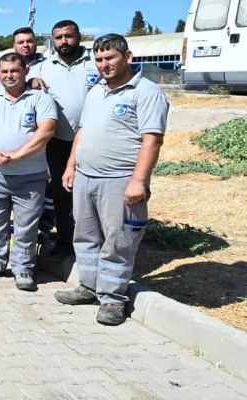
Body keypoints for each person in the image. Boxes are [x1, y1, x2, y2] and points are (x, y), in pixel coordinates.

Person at [55, 33, 169, 326]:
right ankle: (89, 287)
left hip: (120, 180)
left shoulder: (146, 92)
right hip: (85, 177)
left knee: (118, 242)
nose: (104, 64)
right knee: (86, 237)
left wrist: (138, 181)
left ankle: (112, 299)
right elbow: (82, 131)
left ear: (127, 57)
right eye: (99, 59)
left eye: (110, 58)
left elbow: (152, 140)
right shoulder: (96, 91)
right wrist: (71, 166)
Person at [0, 52, 57, 291]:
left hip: (30, 176)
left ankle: (23, 268)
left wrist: (17, 155)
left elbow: (46, 130)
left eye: (14, 71)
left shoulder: (40, 97)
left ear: (26, 71)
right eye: (5, 72)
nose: (9, 75)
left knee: (26, 225)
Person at [29, 20, 100, 257]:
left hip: (92, 140)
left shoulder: (95, 62)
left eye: (68, 36)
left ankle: (92, 242)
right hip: (58, 141)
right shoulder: (44, 67)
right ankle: (64, 240)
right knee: (61, 191)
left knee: (90, 191)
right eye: (58, 37)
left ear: (79, 36)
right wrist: (31, 82)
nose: (64, 41)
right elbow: (23, 84)